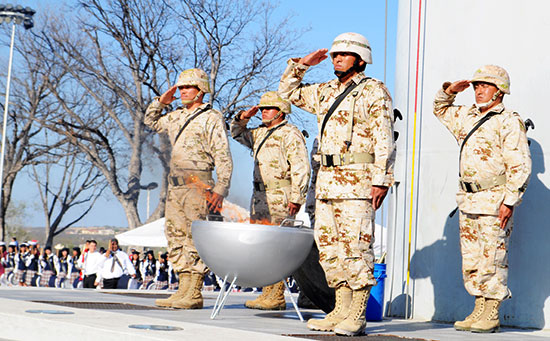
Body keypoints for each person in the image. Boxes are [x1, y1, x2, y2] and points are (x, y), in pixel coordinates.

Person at [278, 32, 396, 336]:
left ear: (360, 59)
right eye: (334, 54)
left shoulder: (373, 91)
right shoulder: (326, 91)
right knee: (331, 250)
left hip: (357, 183)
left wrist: (381, 180)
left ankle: (356, 314)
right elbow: (287, 93)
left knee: (356, 248)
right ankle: (339, 311)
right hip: (327, 183)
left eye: (343, 54)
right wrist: (302, 65)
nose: (336, 58)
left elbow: (385, 138)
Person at [433, 65, 531, 333]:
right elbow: (440, 109)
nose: (478, 90)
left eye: (485, 86)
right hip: (468, 199)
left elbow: (520, 164)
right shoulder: (468, 116)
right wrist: (449, 91)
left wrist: (509, 201)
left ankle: (492, 311)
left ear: (499, 92)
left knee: (493, 257)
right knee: (473, 258)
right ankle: (478, 307)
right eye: (476, 86)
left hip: (494, 200)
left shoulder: (509, 120)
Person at [145, 68, 233, 309]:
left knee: (195, 237)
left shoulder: (211, 117)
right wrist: (160, 102)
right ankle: (182, 288)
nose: (182, 92)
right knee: (175, 236)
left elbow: (223, 155)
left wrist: (221, 189)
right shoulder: (175, 117)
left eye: (188, 87)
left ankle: (194, 292)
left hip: (198, 184)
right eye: (180, 87)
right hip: (175, 186)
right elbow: (150, 121)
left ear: (201, 90)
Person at [230, 91, 310, 310]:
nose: (264, 112)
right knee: (263, 246)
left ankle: (276, 295)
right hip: (260, 196)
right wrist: (243, 117)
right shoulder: (259, 134)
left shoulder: (290, 134)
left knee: (277, 246)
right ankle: (267, 292)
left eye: (269, 108)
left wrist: (297, 197)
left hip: (280, 196)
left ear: (281, 111)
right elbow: (236, 133)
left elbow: (301, 167)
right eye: (262, 108)